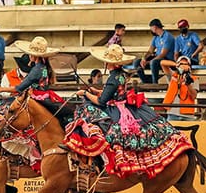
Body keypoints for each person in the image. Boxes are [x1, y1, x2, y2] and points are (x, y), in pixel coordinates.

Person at [70, 44, 193, 179]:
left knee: (89, 114)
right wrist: (96, 91)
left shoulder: (112, 78)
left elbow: (101, 102)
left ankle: (96, 162)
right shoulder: (121, 74)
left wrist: (86, 93)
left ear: (108, 62)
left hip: (117, 110)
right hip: (126, 107)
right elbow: (113, 93)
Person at [0, 36, 61, 102]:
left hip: (36, 98)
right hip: (43, 96)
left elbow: (18, 89)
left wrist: (1, 89)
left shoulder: (36, 70)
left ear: (33, 55)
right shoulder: (43, 67)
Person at [132, 18, 174, 84]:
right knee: (137, 62)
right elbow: (150, 51)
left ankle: (155, 84)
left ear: (154, 27)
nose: (150, 30)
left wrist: (148, 62)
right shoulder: (156, 37)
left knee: (153, 62)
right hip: (157, 59)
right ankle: (145, 82)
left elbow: (163, 54)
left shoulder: (167, 36)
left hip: (166, 59)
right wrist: (144, 58)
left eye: (151, 28)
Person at [162, 56, 198, 122]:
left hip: (188, 114)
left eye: (185, 64)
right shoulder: (173, 76)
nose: (183, 66)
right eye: (181, 64)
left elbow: (194, 96)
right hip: (173, 113)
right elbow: (162, 63)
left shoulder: (194, 79)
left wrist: (188, 84)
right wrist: (176, 64)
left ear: (189, 66)